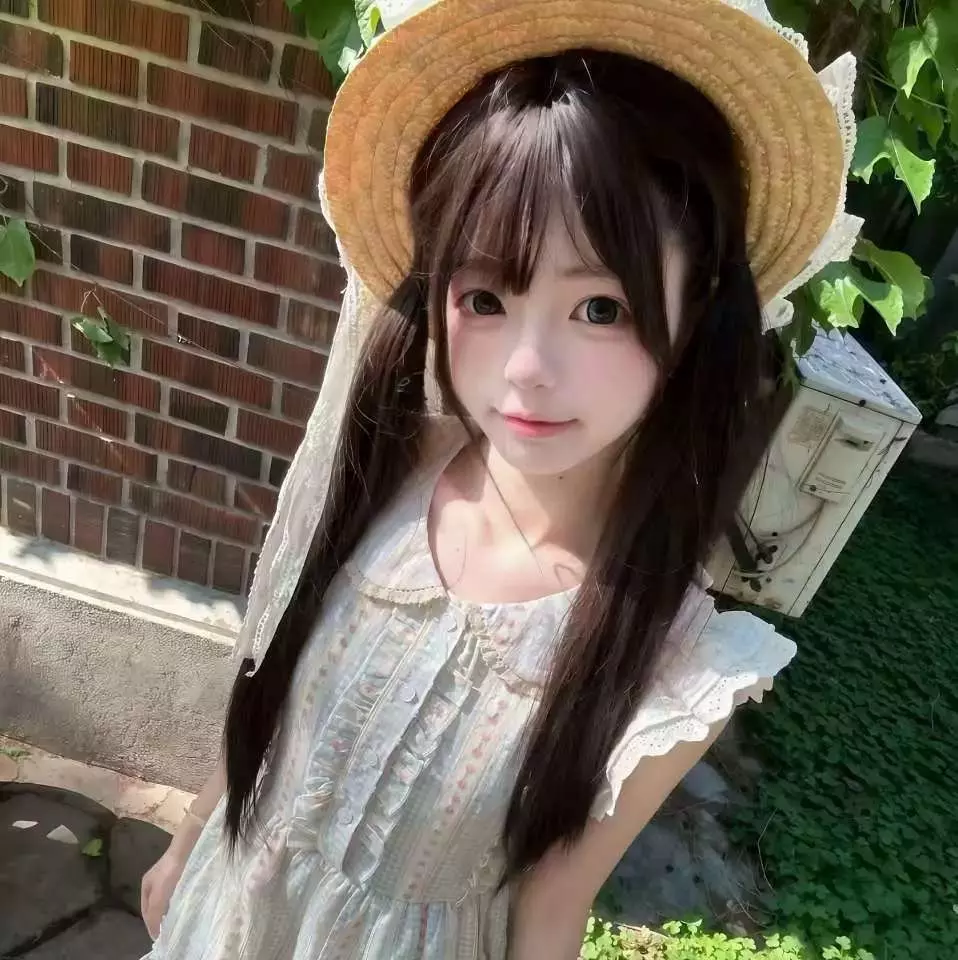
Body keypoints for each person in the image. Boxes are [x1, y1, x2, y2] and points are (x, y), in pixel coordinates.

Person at [140, 0, 861, 956]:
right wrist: (190, 836)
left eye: (600, 308)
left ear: (696, 319)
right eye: (484, 296)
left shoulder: (677, 661)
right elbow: (273, 684)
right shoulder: (395, 464)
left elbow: (550, 911)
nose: (527, 368)